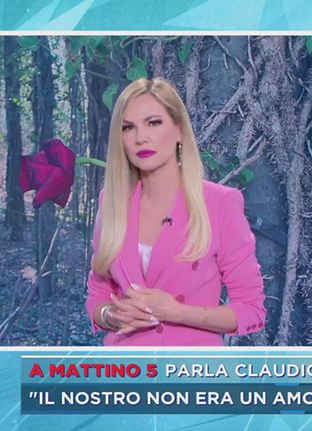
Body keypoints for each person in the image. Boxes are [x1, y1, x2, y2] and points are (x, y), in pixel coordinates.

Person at [85, 78, 265, 346]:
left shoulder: (220, 204)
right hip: (126, 366)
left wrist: (178, 313)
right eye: (128, 127)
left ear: (179, 129)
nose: (140, 138)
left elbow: (252, 311)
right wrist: (111, 316)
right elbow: (98, 295)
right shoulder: (112, 202)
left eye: (153, 123)